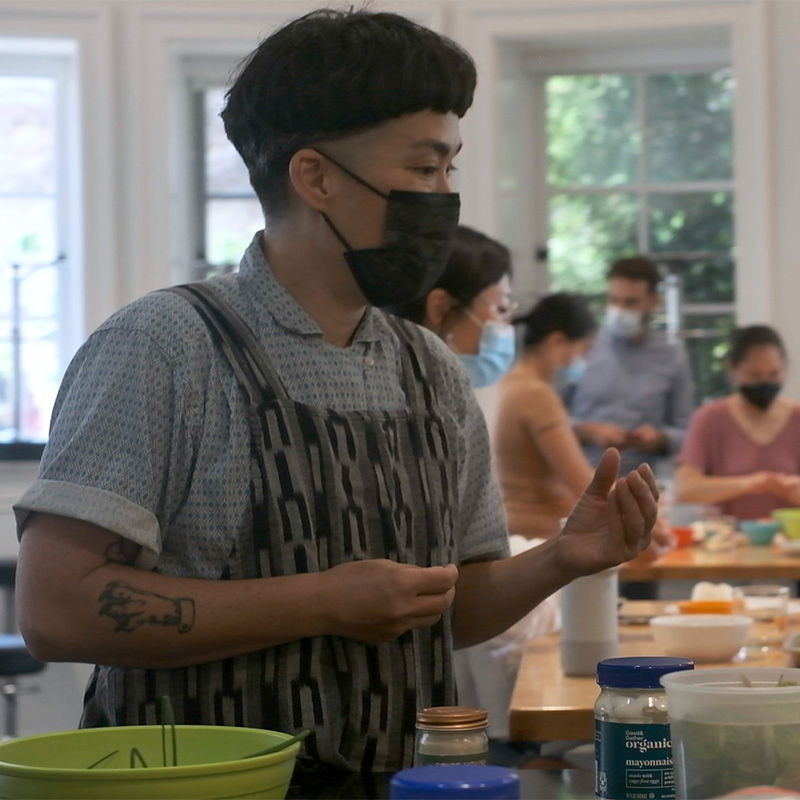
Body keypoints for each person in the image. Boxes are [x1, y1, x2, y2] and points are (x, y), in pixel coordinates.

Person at [12, 8, 657, 777]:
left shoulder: (430, 370)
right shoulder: (162, 349)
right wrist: (324, 601)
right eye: (423, 169)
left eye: (450, 169)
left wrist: (562, 558)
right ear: (314, 176)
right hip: (199, 788)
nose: (443, 197)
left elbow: (452, 606)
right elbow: (55, 609)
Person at [569, 255, 695, 479]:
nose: (619, 309)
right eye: (613, 300)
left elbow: (687, 431)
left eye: (630, 302)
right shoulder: (583, 347)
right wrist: (588, 431)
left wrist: (660, 438)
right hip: (581, 480)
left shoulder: (672, 357)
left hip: (643, 484)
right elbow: (547, 416)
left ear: (654, 302)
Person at [496, 293, 597, 540]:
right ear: (557, 342)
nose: (584, 361)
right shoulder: (536, 395)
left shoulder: (510, 383)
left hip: (517, 530)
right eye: (583, 350)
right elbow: (587, 486)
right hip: (538, 536)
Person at [676, 325, 800, 520]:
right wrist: (748, 483)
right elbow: (686, 488)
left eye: (773, 375)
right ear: (733, 369)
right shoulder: (709, 419)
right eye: (754, 375)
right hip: (727, 541)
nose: (765, 383)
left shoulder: (796, 418)